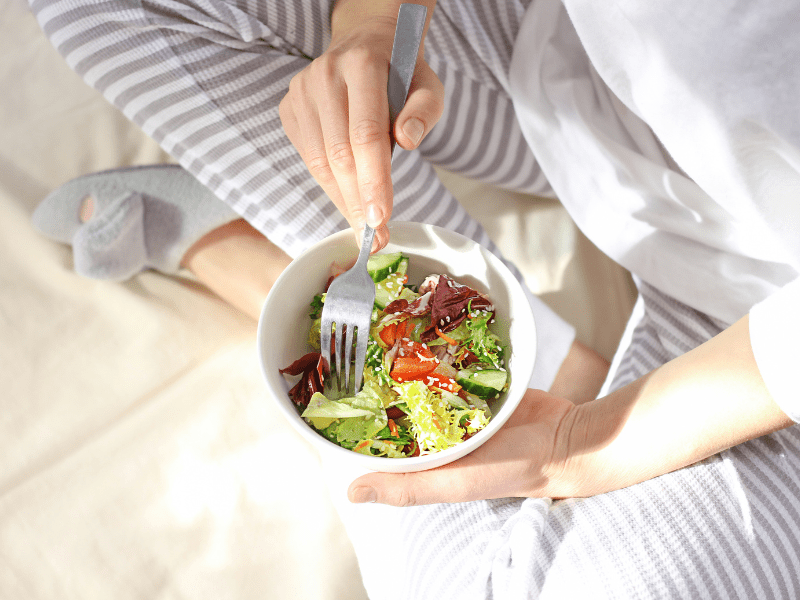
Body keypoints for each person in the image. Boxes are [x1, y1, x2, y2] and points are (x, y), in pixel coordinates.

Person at [29, 0, 800, 599]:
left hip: (752, 327)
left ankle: (269, 268)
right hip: (565, 64)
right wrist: (369, 25)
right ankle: (538, 353)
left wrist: (595, 440)